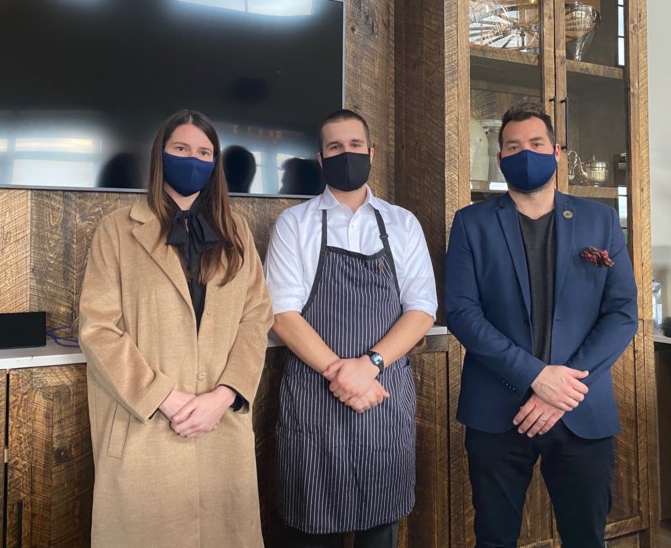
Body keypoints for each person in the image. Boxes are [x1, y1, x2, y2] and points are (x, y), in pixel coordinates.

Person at [444, 101, 639, 548]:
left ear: (556, 152)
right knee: (494, 537)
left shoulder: (600, 220)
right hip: (497, 412)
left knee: (586, 537)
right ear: (500, 159)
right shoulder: (471, 223)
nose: (524, 153)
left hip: (580, 410)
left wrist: (562, 388)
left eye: (535, 144)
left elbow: (622, 311)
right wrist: (536, 377)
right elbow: (462, 312)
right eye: (513, 146)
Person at [78, 109, 274, 548]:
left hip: (220, 426)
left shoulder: (237, 231)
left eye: (205, 152)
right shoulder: (116, 231)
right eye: (181, 149)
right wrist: (167, 397)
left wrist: (224, 395)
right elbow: (99, 329)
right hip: (147, 428)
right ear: (160, 156)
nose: (193, 160)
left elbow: (257, 316)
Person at [264, 108, 437, 548]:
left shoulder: (402, 223)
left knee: (381, 530)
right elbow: (283, 314)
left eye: (355, 145)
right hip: (314, 397)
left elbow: (422, 309)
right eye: (335, 147)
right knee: (309, 527)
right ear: (321, 159)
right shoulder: (294, 223)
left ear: (371, 152)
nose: (347, 154)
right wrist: (345, 374)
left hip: (383, 394)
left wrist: (370, 365)